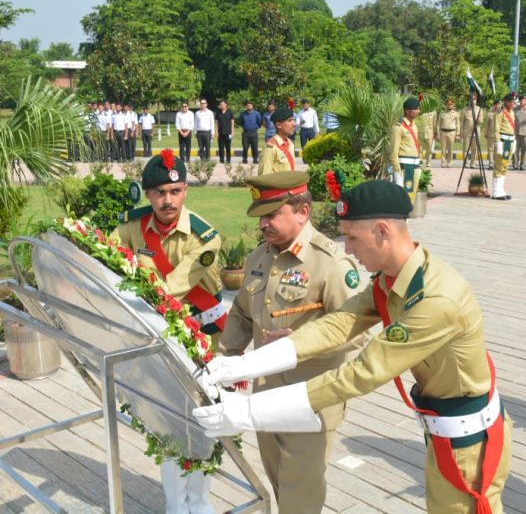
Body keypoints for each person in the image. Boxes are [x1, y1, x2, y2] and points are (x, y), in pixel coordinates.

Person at [194, 179, 512, 514]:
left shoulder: (434, 299)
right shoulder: (393, 278)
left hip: (468, 441)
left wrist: (247, 413)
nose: (347, 249)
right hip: (443, 427)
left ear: (383, 231)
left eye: (353, 238)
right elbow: (341, 322)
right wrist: (247, 365)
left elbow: (361, 373)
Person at [216, 170, 364, 514]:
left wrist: (302, 340)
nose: (263, 224)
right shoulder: (260, 257)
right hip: (265, 394)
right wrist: (223, 359)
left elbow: (358, 332)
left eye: (272, 214)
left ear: (302, 212)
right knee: (281, 484)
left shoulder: (330, 264)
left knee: (301, 495)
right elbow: (241, 312)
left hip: (309, 399)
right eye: (260, 216)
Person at [112, 149, 225, 514]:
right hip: (155, 333)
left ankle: (201, 503)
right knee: (168, 421)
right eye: (159, 192)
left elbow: (170, 291)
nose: (167, 200)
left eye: (175, 191)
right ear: (148, 195)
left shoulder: (205, 236)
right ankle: (176, 506)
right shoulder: (132, 226)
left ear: (186, 190)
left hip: (202, 336)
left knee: (204, 420)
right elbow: (109, 259)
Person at [389, 98, 421, 197]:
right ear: (407, 111)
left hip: (414, 166)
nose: (418, 111)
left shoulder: (414, 126)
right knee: (402, 196)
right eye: (415, 109)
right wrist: (396, 172)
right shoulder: (398, 127)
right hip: (404, 167)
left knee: (411, 195)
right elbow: (393, 151)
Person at [258, 107, 297, 175]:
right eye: (289, 120)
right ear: (279, 125)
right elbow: (264, 178)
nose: (294, 124)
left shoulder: (290, 144)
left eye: (293, 120)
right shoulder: (270, 148)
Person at [492, 93, 516, 200]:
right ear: (505, 101)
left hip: (509, 143)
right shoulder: (499, 113)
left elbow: (512, 128)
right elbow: (496, 129)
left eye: (513, 101)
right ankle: (496, 192)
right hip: (502, 142)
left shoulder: (512, 112)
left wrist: (514, 141)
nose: (512, 103)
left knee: (505, 166)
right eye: (510, 101)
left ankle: (501, 189)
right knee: (499, 165)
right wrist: (498, 143)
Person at [460, 93, 483, 169]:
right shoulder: (465, 110)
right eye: (472, 99)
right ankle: (466, 163)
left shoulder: (479, 109)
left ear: (476, 100)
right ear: (469, 100)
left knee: (475, 149)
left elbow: (481, 121)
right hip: (467, 132)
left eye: (474, 99)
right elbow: (462, 122)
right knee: (465, 149)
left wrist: (478, 120)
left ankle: (473, 163)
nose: (473, 101)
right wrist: (461, 133)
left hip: (476, 132)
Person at [437, 99, 460, 168]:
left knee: (450, 149)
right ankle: (443, 163)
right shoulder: (442, 113)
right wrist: (437, 133)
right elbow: (438, 123)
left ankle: (449, 163)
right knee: (443, 149)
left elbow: (458, 124)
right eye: (448, 104)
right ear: (446, 105)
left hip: (452, 132)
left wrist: (458, 134)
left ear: (453, 105)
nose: (449, 105)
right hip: (443, 132)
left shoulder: (456, 114)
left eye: (451, 104)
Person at [215, 99, 235, 164]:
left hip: (228, 133)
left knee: (228, 147)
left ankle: (228, 160)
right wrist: (216, 132)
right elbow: (217, 123)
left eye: (223, 104)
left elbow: (232, 122)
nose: (222, 106)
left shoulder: (230, 112)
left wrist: (232, 132)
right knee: (221, 148)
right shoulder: (218, 112)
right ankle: (221, 160)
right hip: (220, 133)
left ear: (226, 105)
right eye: (221, 105)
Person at [485, 100, 501, 170]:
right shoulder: (490, 114)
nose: (498, 106)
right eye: (497, 104)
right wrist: (486, 133)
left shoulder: (501, 113)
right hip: (491, 134)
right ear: (494, 105)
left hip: (499, 135)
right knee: (490, 150)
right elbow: (487, 125)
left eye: (499, 105)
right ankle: (491, 164)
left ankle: (496, 164)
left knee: (497, 150)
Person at [513, 94, 526, 170]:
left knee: (524, 150)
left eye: (523, 100)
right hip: (516, 132)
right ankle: (515, 164)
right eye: (521, 100)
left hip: (525, 132)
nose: (522, 101)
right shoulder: (515, 109)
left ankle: (522, 164)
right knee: (515, 149)